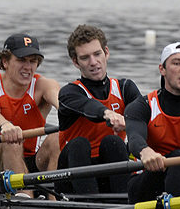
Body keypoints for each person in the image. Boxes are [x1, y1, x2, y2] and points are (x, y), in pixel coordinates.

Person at [56, 24, 142, 194]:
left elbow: (145, 121)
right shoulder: (69, 93)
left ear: (106, 53)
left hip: (110, 168)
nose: (93, 62)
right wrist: (107, 113)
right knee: (79, 144)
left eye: (97, 54)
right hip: (73, 172)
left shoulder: (125, 88)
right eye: (85, 57)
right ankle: (88, 202)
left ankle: (123, 203)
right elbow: (89, 107)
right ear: (75, 62)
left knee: (114, 142)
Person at [124, 42, 180, 203]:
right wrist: (145, 151)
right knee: (177, 157)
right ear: (162, 69)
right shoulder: (141, 107)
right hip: (146, 185)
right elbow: (135, 137)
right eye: (177, 63)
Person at [0, 33, 61, 196]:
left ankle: (55, 202)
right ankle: (25, 199)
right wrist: (5, 125)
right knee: (12, 140)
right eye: (22, 60)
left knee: (57, 138)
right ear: (5, 61)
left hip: (33, 161)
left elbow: (63, 105)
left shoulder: (45, 85)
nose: (28, 67)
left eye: (33, 61)